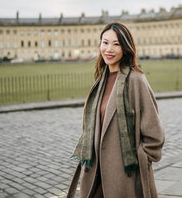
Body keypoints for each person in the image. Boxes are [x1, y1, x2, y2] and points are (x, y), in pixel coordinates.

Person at [68, 21, 165, 198]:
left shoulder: (136, 80)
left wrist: (139, 161)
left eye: (116, 44)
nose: (109, 49)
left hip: (124, 178)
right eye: (105, 43)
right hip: (95, 173)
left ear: (125, 48)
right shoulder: (101, 80)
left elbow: (155, 135)